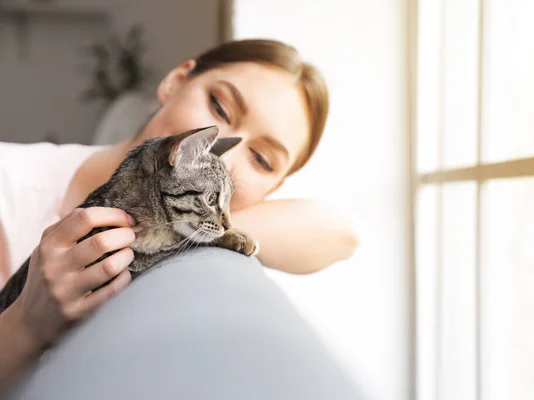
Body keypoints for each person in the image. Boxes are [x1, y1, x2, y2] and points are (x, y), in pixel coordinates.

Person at [0, 39, 359, 386]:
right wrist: (24, 325)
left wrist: (189, 220)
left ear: (273, 188)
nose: (222, 155)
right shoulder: (9, 179)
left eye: (262, 160)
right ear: (174, 82)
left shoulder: (202, 214)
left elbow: (341, 233)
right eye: (219, 107)